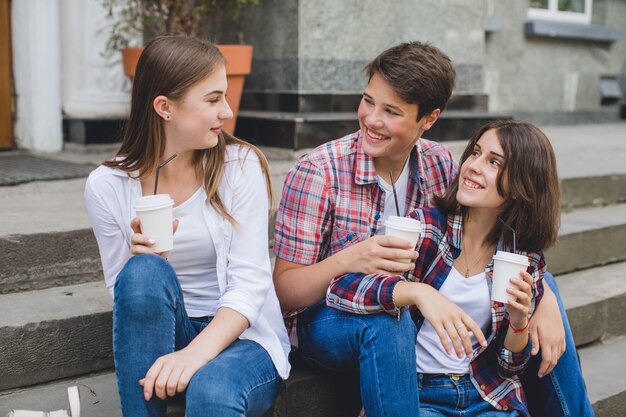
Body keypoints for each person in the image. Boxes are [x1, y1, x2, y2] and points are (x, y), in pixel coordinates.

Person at [273, 41, 593, 417]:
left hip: (415, 317)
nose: (372, 119)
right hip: (330, 317)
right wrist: (353, 258)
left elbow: (496, 235)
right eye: (368, 100)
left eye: (391, 111)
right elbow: (286, 293)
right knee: (388, 321)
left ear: (428, 119)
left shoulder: (439, 163)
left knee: (542, 286)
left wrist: (544, 301)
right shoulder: (319, 172)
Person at [85, 35, 290, 417]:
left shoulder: (239, 166)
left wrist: (195, 355)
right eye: (213, 100)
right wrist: (147, 263)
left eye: (224, 97)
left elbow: (251, 282)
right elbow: (121, 289)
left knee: (211, 390)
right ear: (165, 107)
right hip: (170, 331)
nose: (227, 111)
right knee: (143, 271)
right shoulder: (106, 186)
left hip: (243, 338)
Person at [327, 120, 557, 416]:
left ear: (521, 185)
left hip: (484, 395)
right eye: (475, 153)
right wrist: (417, 292)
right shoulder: (425, 229)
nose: (473, 165)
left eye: (493, 162)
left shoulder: (524, 258)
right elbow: (343, 288)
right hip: (420, 395)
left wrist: (518, 322)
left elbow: (509, 365)